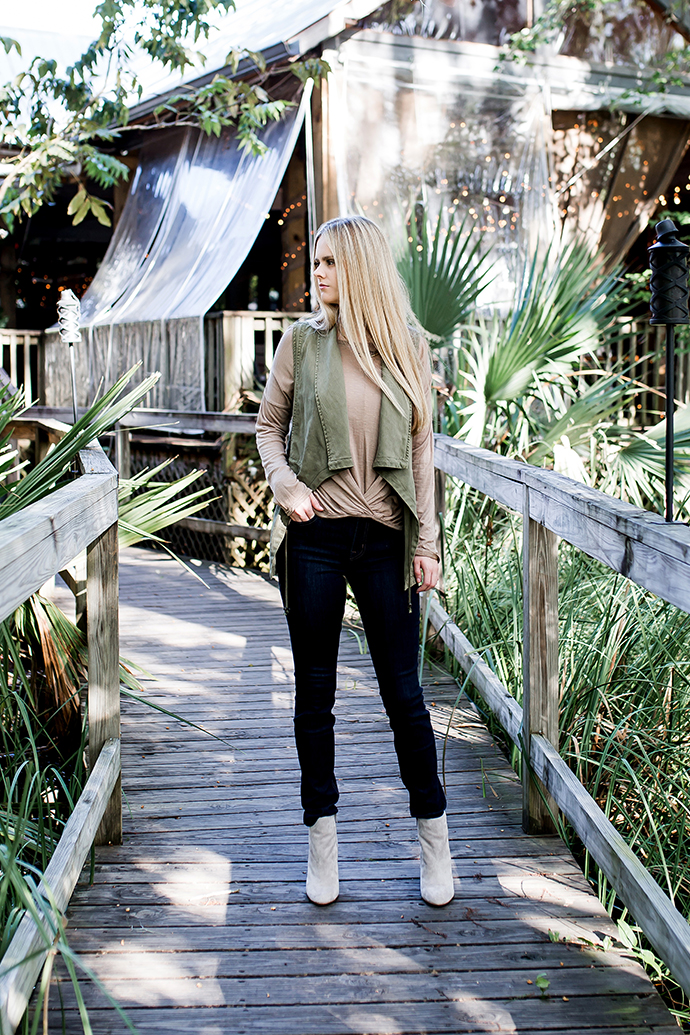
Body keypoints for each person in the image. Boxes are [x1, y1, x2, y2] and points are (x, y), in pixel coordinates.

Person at [256, 215, 454, 908]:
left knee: (405, 696)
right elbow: (268, 428)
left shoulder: (406, 346)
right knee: (315, 695)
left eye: (331, 262)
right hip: (315, 535)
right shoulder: (302, 343)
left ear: (361, 268)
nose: (317, 272)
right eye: (316, 261)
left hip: (387, 539)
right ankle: (322, 840)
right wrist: (286, 485)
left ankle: (434, 838)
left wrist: (427, 542)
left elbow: (423, 448)